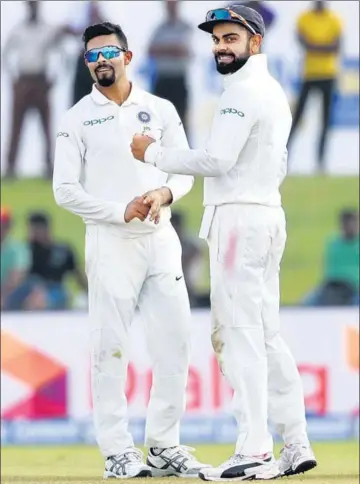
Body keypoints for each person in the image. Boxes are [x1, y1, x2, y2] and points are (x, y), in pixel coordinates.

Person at [131, 5, 317, 481]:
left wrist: (153, 152)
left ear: (256, 42)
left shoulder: (241, 94)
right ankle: (295, 443)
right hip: (263, 214)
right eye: (216, 39)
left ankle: (254, 448)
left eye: (231, 38)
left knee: (239, 336)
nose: (220, 46)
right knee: (265, 334)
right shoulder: (271, 91)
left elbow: (216, 159)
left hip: (239, 220)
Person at [52, 21, 209, 480]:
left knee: (176, 343)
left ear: (128, 56)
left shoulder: (159, 108)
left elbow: (183, 170)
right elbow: (63, 190)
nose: (101, 61)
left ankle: (163, 446)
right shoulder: (77, 117)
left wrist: (164, 195)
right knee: (110, 349)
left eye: (108, 53)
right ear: (86, 64)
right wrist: (117, 211)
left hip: (160, 240)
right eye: (92, 56)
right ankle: (118, 452)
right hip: (110, 241)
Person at [2, 1, 63, 179]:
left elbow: (61, 54)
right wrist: (13, 78)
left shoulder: (48, 30)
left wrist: (54, 77)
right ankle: (10, 167)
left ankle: (49, 167)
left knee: (45, 127)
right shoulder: (18, 29)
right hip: (23, 80)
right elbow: (5, 54)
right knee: (16, 126)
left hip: (40, 81)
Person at [287, 0, 343, 172]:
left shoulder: (334, 19)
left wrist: (314, 46)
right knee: (296, 119)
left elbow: (336, 47)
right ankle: (284, 159)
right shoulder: (304, 18)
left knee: (325, 121)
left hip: (328, 74)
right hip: (309, 74)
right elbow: (304, 43)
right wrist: (323, 47)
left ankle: (320, 163)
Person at [5, 212, 87, 311]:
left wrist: (88, 292)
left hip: (55, 287)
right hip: (29, 286)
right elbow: (20, 275)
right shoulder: (26, 249)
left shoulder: (63, 250)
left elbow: (77, 274)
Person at [147, 0, 192, 135]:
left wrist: (164, 49)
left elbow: (184, 52)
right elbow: (151, 51)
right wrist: (173, 49)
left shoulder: (185, 28)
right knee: (159, 122)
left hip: (178, 81)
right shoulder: (159, 29)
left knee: (181, 122)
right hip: (162, 81)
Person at [303, 209, 359, 306]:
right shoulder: (333, 244)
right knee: (307, 303)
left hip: (353, 288)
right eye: (346, 223)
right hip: (332, 285)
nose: (350, 227)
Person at [1, 207, 30, 311]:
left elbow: (16, 276)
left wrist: (3, 296)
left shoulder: (18, 249)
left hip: (12, 293)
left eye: (3, 225)